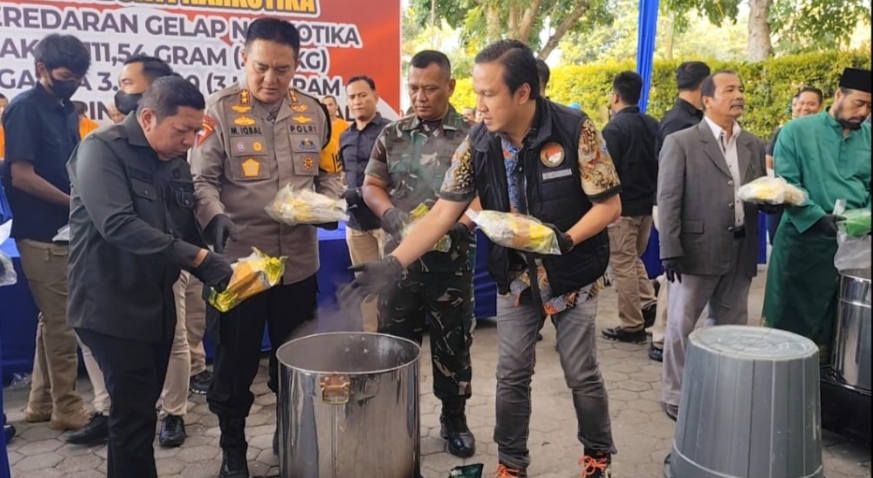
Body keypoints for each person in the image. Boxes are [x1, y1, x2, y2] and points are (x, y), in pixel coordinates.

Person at [346, 39, 619, 478]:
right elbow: (442, 213)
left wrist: (564, 241)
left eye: (489, 94)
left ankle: (597, 458)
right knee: (511, 375)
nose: (479, 105)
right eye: (477, 93)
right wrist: (393, 263)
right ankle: (511, 465)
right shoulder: (478, 142)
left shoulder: (575, 130)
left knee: (581, 373)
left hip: (572, 272)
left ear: (523, 92)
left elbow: (609, 206)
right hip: (516, 276)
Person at [190, 18, 340, 478]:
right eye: (261, 67)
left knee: (294, 365)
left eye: (282, 69)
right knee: (233, 366)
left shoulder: (313, 111)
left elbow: (329, 175)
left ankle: (289, 437)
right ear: (244, 58)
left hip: (298, 264)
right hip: (241, 266)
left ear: (297, 65)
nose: (270, 79)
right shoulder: (218, 110)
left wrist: (327, 204)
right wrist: (214, 217)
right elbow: (201, 180)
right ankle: (233, 451)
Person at [67, 75, 234, 478]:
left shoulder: (172, 160)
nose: (190, 142)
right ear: (147, 117)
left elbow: (178, 226)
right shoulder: (101, 149)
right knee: (132, 417)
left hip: (157, 304)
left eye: (196, 132)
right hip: (111, 305)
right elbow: (118, 225)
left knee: (138, 414)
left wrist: (211, 228)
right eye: (182, 130)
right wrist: (199, 259)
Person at [361, 49, 477, 459]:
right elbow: (372, 185)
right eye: (413, 88)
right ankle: (395, 419)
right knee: (394, 344)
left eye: (430, 89)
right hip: (399, 264)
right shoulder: (393, 133)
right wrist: (387, 212)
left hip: (451, 265)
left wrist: (464, 224)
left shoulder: (473, 135)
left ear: (450, 86)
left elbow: (484, 194)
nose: (420, 97)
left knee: (453, 344)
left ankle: (454, 419)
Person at [658, 70, 767, 421]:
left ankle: (721, 390)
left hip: (739, 247)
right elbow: (669, 199)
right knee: (681, 325)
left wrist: (773, 200)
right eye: (729, 89)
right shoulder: (682, 142)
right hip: (695, 250)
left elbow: (757, 190)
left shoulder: (752, 144)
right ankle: (676, 394)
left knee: (731, 325)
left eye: (741, 89)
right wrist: (670, 249)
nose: (739, 95)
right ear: (707, 100)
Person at [1, 33, 92, 432]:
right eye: (66, 76)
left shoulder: (66, 110)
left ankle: (39, 403)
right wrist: (73, 203)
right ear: (42, 69)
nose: (73, 83)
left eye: (79, 77)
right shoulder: (24, 109)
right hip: (40, 234)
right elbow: (21, 176)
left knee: (51, 319)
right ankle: (67, 408)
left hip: (68, 231)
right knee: (62, 324)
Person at [763, 68, 871, 361]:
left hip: (853, 247)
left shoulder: (869, 138)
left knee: (840, 328)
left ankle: (826, 385)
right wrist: (816, 217)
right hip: (801, 243)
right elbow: (788, 183)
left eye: (870, 106)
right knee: (788, 329)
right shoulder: (797, 132)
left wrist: (863, 220)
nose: (864, 112)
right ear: (839, 95)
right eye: (859, 103)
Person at [648, 60, 711, 363]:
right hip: (675, 207)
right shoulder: (679, 123)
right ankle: (661, 338)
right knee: (675, 277)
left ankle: (665, 335)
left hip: (685, 208)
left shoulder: (690, 118)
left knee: (677, 277)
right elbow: (670, 177)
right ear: (704, 86)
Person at [600, 71, 659, 344]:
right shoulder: (653, 125)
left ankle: (632, 326)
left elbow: (604, 173)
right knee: (633, 259)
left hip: (621, 210)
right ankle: (648, 303)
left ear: (615, 97)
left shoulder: (614, 130)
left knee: (622, 266)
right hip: (647, 207)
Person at [339, 75, 390, 332]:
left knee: (393, 285)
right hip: (356, 224)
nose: (357, 101)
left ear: (375, 97)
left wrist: (359, 192)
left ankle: (395, 337)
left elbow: (398, 177)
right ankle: (372, 337)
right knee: (366, 287)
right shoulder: (344, 136)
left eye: (362, 95)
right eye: (352, 97)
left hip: (385, 222)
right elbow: (343, 174)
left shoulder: (391, 131)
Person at [764, 87, 823, 245]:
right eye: (801, 103)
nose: (805, 108)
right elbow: (769, 160)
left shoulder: (824, 135)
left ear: (820, 108)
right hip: (784, 198)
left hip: (813, 204)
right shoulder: (784, 132)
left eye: (811, 104)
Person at [319, 94, 347, 194]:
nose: (328, 108)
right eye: (325, 105)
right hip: (322, 170)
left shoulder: (344, 125)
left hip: (339, 170)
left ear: (336, 106)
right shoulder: (318, 126)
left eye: (330, 104)